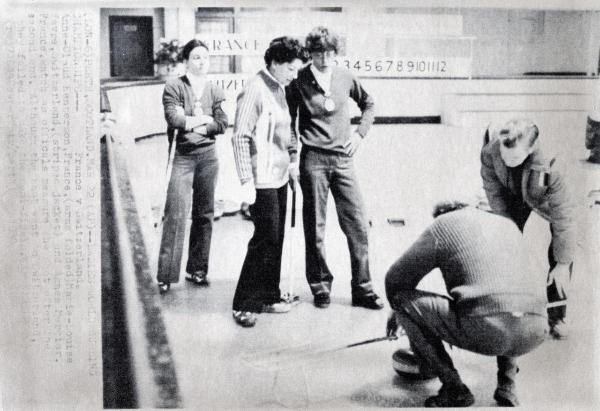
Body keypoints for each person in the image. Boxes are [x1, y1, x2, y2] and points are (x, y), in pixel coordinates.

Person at [385, 201, 548, 407]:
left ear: (442, 214)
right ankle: (507, 386)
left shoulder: (442, 224)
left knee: (403, 301)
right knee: (506, 299)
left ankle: (454, 389)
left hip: (491, 327)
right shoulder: (506, 224)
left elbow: (396, 277)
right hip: (537, 328)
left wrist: (397, 310)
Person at [286, 26, 383, 310]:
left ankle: (363, 289)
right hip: (313, 160)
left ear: (335, 52)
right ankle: (320, 286)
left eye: (329, 52)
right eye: (318, 53)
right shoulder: (300, 80)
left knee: (358, 225)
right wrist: (293, 156)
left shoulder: (345, 76)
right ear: (311, 54)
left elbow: (369, 103)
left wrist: (360, 134)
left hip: (343, 159)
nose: (325, 58)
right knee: (314, 227)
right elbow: (289, 121)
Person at [231, 37, 309, 327]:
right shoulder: (255, 88)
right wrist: (245, 182)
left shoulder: (280, 89)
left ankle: (269, 296)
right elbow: (240, 135)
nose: (294, 75)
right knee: (265, 238)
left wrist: (292, 161)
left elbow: (288, 131)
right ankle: (244, 302)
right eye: (290, 68)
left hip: (278, 175)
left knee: (277, 238)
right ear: (275, 62)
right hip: (260, 179)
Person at [480, 119, 576, 339]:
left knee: (562, 255)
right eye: (503, 154)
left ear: (531, 150)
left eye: (513, 158)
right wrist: (507, 229)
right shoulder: (491, 151)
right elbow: (494, 193)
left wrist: (563, 263)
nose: (505, 159)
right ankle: (507, 303)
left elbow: (564, 220)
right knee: (505, 243)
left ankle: (557, 315)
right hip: (512, 191)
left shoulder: (554, 164)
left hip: (547, 197)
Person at [156, 39, 228, 293]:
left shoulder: (215, 90)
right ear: (186, 60)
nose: (201, 62)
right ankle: (166, 275)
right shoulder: (174, 86)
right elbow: (174, 119)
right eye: (196, 57)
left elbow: (222, 123)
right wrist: (204, 120)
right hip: (183, 156)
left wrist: (195, 123)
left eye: (205, 58)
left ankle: (197, 270)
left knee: (204, 214)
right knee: (175, 212)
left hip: (208, 157)